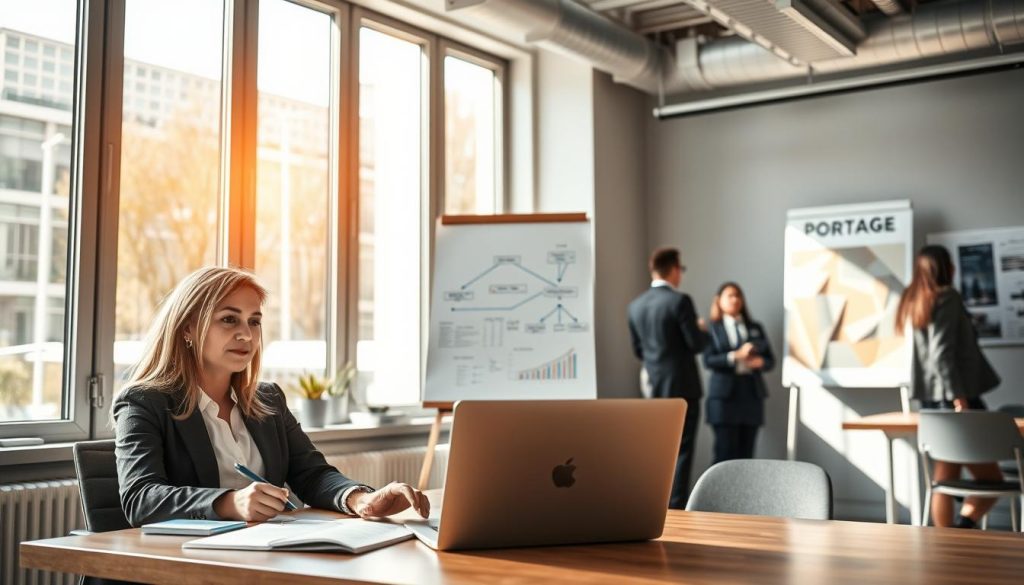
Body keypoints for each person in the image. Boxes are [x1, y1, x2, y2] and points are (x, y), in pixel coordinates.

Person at [113, 266, 429, 527]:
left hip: (261, 554)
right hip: (183, 562)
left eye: (254, 321)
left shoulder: (268, 400)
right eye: (228, 319)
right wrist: (229, 502)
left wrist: (363, 501)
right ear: (186, 329)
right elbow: (141, 498)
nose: (246, 335)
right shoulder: (143, 402)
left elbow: (311, 474)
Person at [895, 245, 1002, 528]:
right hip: (956, 397)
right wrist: (959, 398)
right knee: (992, 479)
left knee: (944, 477)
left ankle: (946, 540)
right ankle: (962, 528)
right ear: (946, 267)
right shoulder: (947, 297)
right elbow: (941, 354)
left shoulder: (915, 299)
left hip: (932, 400)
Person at [628, 247, 709, 509]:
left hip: (651, 386)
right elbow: (696, 344)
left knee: (656, 449)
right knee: (682, 450)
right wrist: (702, 329)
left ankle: (653, 503)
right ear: (674, 269)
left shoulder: (635, 305)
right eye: (680, 270)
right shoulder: (680, 301)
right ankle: (675, 508)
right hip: (682, 385)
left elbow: (638, 350)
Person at [703, 282, 774, 464]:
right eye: (730, 295)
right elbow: (708, 360)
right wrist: (735, 356)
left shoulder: (755, 327)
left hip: (750, 394)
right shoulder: (713, 328)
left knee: (747, 455)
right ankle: (719, 493)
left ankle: (744, 493)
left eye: (738, 295)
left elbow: (770, 360)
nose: (735, 299)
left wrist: (759, 362)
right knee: (724, 453)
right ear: (719, 301)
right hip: (724, 398)